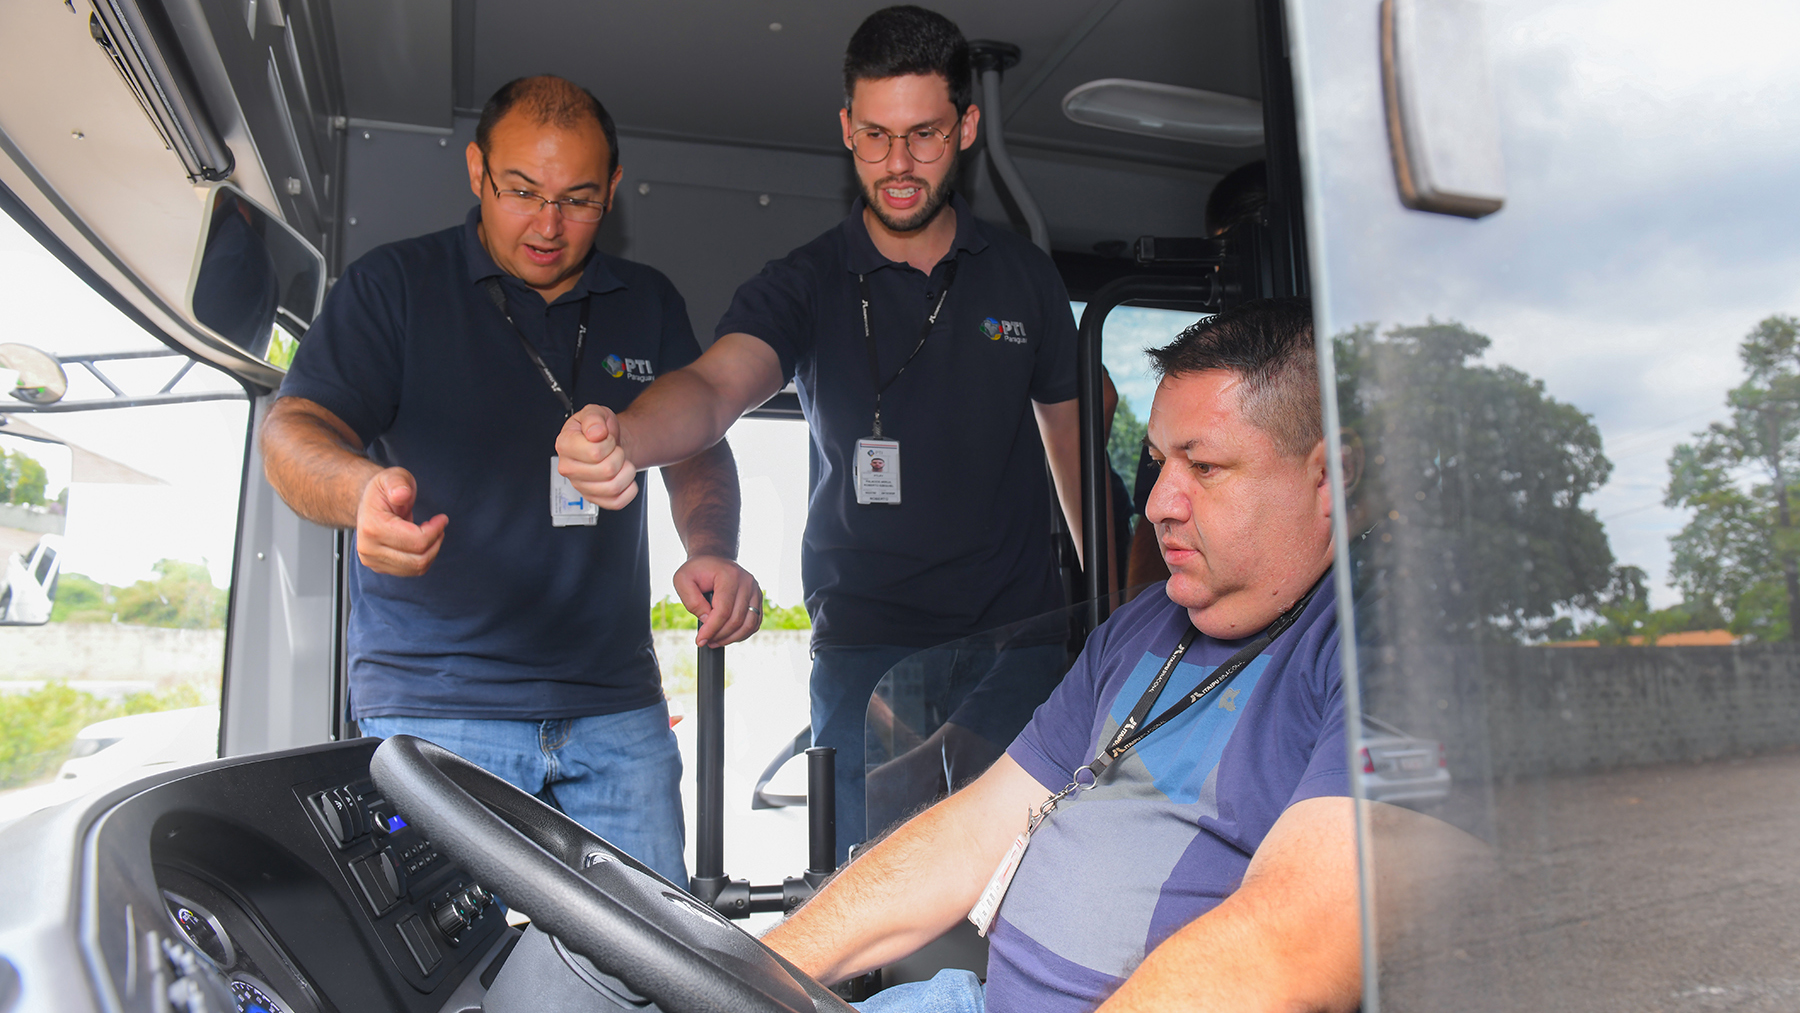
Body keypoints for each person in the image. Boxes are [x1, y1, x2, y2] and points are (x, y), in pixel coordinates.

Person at [555, 7, 1085, 861]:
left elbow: (1082, 474)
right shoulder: (804, 283)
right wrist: (626, 431)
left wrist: (1131, 626)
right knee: (864, 886)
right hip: (867, 646)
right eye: (875, 136)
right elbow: (713, 386)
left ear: (967, 127)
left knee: (1020, 882)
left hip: (1016, 645)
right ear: (846, 129)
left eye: (924, 135)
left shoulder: (1024, 280)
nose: (899, 164)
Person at [761, 298, 1361, 1013]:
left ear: (1329, 478)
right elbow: (975, 828)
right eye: (1159, 460)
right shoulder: (1141, 627)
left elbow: (1295, 940)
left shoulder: (1371, 657)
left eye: (1203, 466)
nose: (1161, 500)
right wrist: (752, 970)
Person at [259, 76, 763, 885]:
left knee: (650, 967)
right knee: (443, 979)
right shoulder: (394, 287)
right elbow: (292, 430)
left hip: (615, 704)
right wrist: (360, 493)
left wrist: (712, 545)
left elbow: (698, 443)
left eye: (579, 199)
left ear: (614, 194)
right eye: (521, 191)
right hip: (438, 703)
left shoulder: (650, 301)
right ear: (476, 171)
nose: (548, 225)